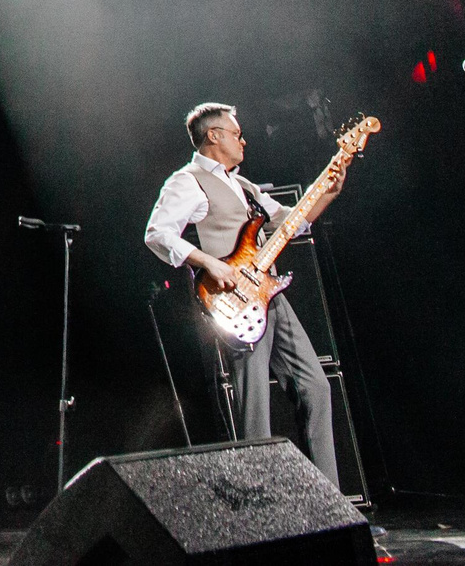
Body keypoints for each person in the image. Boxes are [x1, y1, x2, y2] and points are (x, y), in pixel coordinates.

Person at [145, 101, 339, 484]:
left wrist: (329, 191)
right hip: (236, 304)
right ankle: (260, 501)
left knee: (315, 386)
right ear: (213, 135)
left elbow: (292, 222)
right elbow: (158, 233)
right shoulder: (187, 180)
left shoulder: (243, 184)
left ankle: (329, 500)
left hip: (272, 295)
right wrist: (208, 263)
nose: (244, 141)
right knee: (256, 408)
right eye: (237, 133)